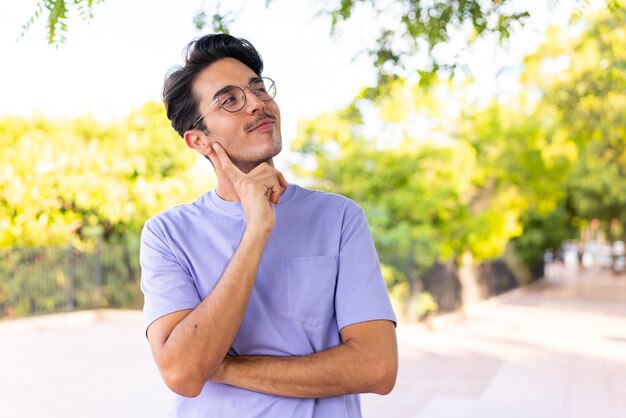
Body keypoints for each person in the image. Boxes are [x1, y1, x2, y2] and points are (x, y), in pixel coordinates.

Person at [140, 33, 398, 417]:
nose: (257, 104)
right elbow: (182, 372)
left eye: (258, 88)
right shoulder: (167, 234)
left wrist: (221, 366)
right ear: (198, 140)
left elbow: (376, 368)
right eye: (229, 100)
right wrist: (256, 232)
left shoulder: (339, 218)